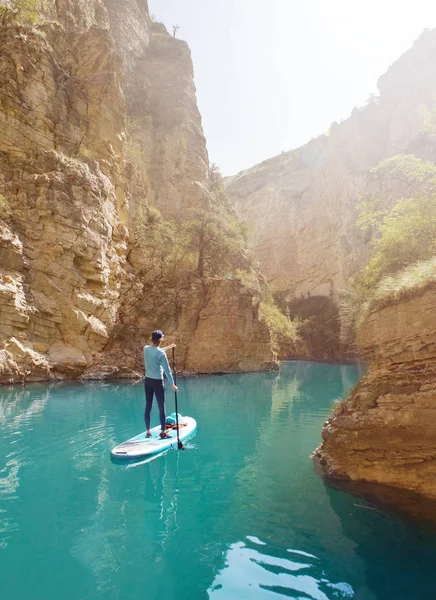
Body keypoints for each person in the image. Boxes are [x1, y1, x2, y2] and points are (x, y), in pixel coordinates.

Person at [143, 330, 178, 439]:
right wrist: (173, 384)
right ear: (161, 340)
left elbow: (156, 351)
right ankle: (163, 431)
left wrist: (168, 347)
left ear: (151, 338)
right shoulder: (161, 354)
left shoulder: (146, 349)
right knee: (161, 406)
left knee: (148, 405)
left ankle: (148, 430)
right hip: (157, 382)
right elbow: (167, 371)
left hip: (147, 381)